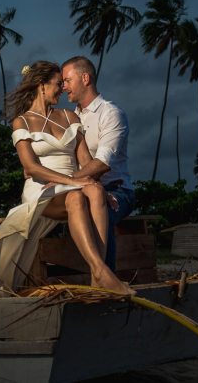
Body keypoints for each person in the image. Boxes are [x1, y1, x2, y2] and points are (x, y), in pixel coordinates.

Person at [0, 61, 135, 299]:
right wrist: (72, 181)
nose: (62, 88)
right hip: (43, 188)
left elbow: (85, 162)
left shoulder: (70, 116)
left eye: (64, 83)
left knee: (90, 192)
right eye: (57, 83)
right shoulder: (21, 122)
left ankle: (100, 272)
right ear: (41, 85)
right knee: (77, 193)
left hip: (71, 184)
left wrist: (94, 185)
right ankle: (102, 271)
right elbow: (31, 167)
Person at [61, 56, 136, 272]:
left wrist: (64, 181)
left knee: (99, 212)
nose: (63, 86)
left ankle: (105, 277)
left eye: (67, 80)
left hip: (118, 191)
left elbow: (103, 163)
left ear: (85, 78)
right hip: (80, 188)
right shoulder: (69, 118)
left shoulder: (111, 114)